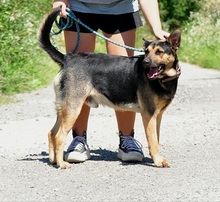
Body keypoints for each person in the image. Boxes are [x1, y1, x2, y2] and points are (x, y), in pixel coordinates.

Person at [52, 0, 169, 163]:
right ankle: (79, 139)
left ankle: (127, 139)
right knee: (79, 78)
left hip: (120, 8)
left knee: (125, 76)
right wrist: (60, 1)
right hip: (79, 7)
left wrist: (156, 28)